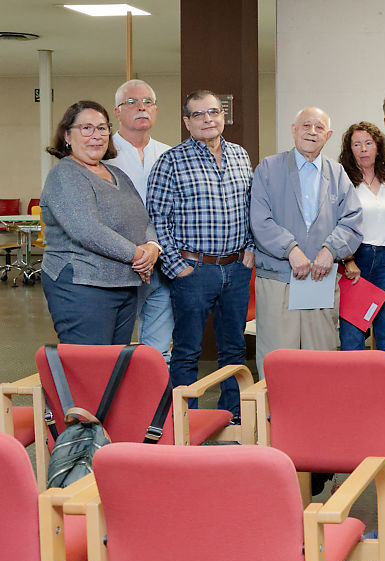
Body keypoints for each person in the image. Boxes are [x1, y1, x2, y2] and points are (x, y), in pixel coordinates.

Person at [147, 90, 254, 417]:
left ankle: (233, 416)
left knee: (234, 350)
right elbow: (157, 217)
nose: (208, 119)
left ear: (223, 116)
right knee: (186, 351)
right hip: (194, 270)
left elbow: (252, 207)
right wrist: (176, 266)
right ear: (187, 122)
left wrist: (250, 247)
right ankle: (185, 423)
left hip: (236, 269)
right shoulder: (171, 161)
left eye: (213, 112)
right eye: (198, 114)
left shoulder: (240, 156)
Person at [249, 107, 363, 375]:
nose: (312, 132)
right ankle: (275, 405)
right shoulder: (269, 168)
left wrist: (330, 250)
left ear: (328, 135)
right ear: (294, 130)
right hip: (278, 278)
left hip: (320, 278)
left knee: (320, 361)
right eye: (306, 125)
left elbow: (352, 220)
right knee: (278, 361)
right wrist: (290, 250)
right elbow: (260, 220)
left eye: (319, 127)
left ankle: (318, 404)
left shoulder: (337, 174)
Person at [40, 101, 159, 345]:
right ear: (67, 136)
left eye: (102, 128)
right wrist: (138, 255)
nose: (96, 135)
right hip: (83, 285)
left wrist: (152, 247)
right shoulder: (65, 174)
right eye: (86, 128)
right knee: (89, 364)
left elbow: (143, 218)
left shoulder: (117, 174)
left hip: (124, 284)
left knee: (115, 363)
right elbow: (87, 230)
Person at [110, 79, 173, 359]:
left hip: (161, 262)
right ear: (117, 111)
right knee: (112, 350)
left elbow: (174, 210)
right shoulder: (103, 153)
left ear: (156, 110)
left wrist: (153, 248)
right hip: (117, 264)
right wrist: (135, 253)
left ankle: (153, 391)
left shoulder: (169, 154)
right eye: (132, 102)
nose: (141, 107)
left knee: (158, 352)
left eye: (148, 102)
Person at [335, 122, 385, 362]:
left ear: (378, 147)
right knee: (353, 335)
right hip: (356, 260)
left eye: (368, 143)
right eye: (357, 144)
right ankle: (354, 386)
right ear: (349, 149)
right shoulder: (343, 180)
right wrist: (347, 259)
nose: (363, 149)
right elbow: (336, 222)